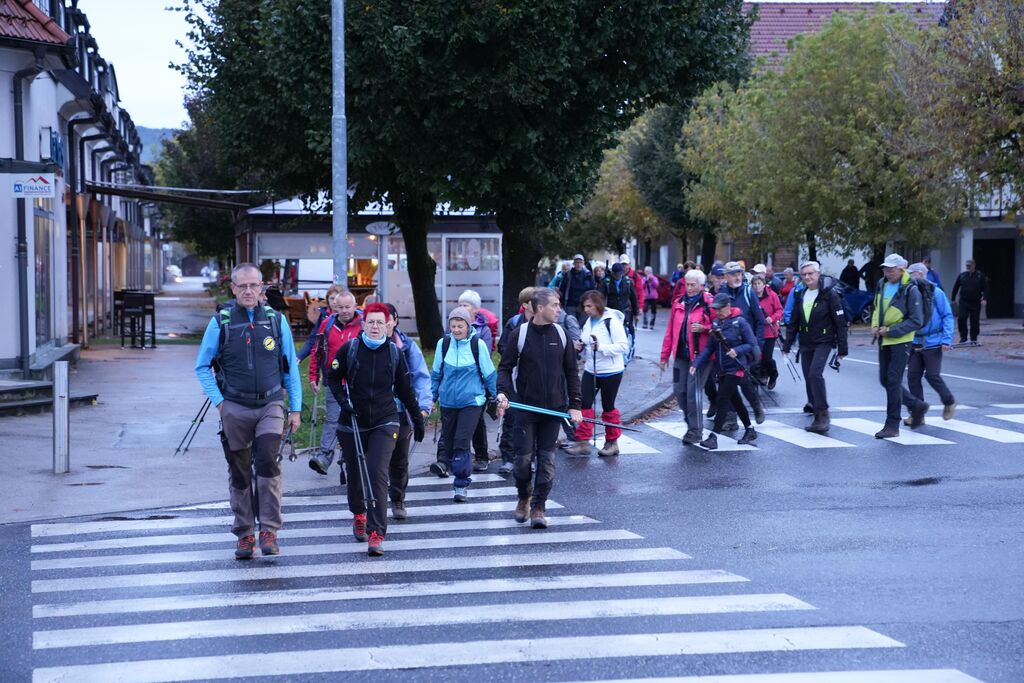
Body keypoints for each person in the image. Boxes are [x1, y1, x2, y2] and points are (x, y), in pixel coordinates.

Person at [194, 263, 302, 559]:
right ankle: (245, 533)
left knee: (267, 462)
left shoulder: (276, 321)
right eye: (242, 286)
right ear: (233, 289)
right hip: (235, 407)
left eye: (254, 285)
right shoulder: (221, 321)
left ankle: (269, 530)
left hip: (270, 404)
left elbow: (290, 367)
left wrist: (295, 408)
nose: (248, 291)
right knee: (240, 472)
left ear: (262, 287)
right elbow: (202, 366)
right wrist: (220, 403)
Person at [326, 303, 424, 556]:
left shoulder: (394, 353)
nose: (375, 326)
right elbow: (332, 377)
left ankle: (376, 532)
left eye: (380, 322)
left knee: (377, 472)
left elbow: (405, 390)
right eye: (371, 322)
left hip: (385, 419)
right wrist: (343, 402)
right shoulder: (350, 349)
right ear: (363, 324)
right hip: (353, 420)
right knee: (355, 472)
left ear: (388, 325)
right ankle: (359, 514)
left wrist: (417, 419)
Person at [496, 288, 582, 529]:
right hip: (525, 409)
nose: (559, 309)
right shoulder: (520, 334)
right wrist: (503, 393)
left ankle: (538, 507)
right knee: (522, 461)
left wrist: (575, 405)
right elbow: (505, 368)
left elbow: (572, 372)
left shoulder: (561, 334)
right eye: (555, 305)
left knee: (547, 461)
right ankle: (524, 496)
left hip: (553, 410)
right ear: (540, 308)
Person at [431, 307, 498, 502]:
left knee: (461, 441)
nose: (456, 330)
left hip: (472, 402)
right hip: (448, 402)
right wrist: (431, 398)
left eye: (460, 326)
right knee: (449, 441)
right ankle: (446, 465)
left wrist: (496, 397)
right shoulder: (443, 344)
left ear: (468, 326)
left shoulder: (478, 345)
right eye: (453, 326)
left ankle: (460, 485)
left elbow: (489, 374)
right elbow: (436, 374)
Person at [782, 261, 849, 433]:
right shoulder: (801, 294)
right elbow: (794, 322)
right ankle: (815, 408)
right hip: (806, 342)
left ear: (818, 274)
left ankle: (823, 414)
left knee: (815, 374)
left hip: (824, 341)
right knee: (808, 377)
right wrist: (787, 345)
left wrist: (842, 348)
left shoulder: (829, 294)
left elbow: (840, 322)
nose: (807, 277)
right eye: (804, 274)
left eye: (810, 273)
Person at [565, 290, 629, 457]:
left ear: (598, 305)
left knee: (608, 406)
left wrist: (602, 348)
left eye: (589, 306)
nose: (586, 309)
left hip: (611, 371)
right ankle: (583, 441)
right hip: (591, 369)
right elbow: (586, 339)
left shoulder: (611, 321)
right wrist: (579, 345)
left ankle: (612, 443)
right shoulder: (588, 321)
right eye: (584, 306)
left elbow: (623, 346)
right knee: (584, 404)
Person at [690, 293, 759, 450]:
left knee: (722, 400)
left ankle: (713, 437)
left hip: (736, 368)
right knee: (736, 401)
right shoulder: (716, 323)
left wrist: (737, 350)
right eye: (715, 309)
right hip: (721, 369)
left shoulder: (740, 322)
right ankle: (750, 430)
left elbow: (751, 343)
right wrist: (697, 363)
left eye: (720, 309)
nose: (717, 312)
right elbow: (710, 347)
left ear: (728, 306)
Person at [383, 303, 433, 519]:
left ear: (394, 321)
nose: (380, 325)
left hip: (401, 410)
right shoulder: (360, 346)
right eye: (374, 320)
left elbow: (421, 377)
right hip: (373, 412)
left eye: (385, 320)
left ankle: (397, 499)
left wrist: (424, 407)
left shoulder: (407, 347)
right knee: (374, 460)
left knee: (399, 459)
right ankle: (371, 503)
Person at [307, 286, 363, 477]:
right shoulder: (327, 324)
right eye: (341, 307)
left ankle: (352, 459)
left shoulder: (364, 324)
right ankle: (324, 457)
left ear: (355, 306)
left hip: (360, 382)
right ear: (335, 308)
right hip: (335, 380)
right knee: (333, 419)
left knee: (358, 419)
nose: (345, 311)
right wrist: (313, 375)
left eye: (348, 307)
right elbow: (317, 350)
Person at [870, 254, 924, 439]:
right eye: (885, 269)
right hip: (884, 339)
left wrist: (891, 331)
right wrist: (875, 326)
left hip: (901, 340)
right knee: (885, 380)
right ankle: (917, 405)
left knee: (893, 381)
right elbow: (877, 307)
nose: (887, 272)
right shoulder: (882, 284)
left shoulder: (911, 289)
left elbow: (916, 320)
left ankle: (892, 425)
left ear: (902, 269)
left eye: (891, 269)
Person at [660, 269, 715, 445]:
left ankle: (695, 430)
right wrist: (664, 356)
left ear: (701, 285)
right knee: (679, 391)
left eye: (693, 285)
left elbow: (718, 326)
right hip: (680, 355)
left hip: (699, 357)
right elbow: (670, 331)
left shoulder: (709, 302)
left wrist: (704, 328)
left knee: (693, 393)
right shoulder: (679, 303)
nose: (689, 288)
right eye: (687, 285)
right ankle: (691, 423)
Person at [903, 263, 957, 426]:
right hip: (914, 341)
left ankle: (949, 401)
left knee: (932, 375)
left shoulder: (936, 292)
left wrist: (946, 339)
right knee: (913, 377)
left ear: (920, 274)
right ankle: (917, 413)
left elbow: (947, 316)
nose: (908, 277)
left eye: (911, 274)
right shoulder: (909, 292)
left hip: (933, 342)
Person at [717, 261, 766, 426]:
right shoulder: (721, 292)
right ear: (726, 276)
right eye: (733, 274)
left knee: (743, 380)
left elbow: (760, 320)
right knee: (727, 381)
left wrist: (757, 343)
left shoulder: (748, 292)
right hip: (726, 345)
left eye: (739, 274)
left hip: (745, 346)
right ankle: (731, 418)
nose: (738, 277)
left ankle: (756, 406)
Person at [495, 287, 536, 475]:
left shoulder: (542, 323)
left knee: (532, 420)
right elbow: (502, 346)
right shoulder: (513, 323)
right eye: (534, 301)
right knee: (511, 418)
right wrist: (516, 355)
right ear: (525, 305)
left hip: (533, 379)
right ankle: (508, 458)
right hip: (513, 377)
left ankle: (530, 458)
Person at [457, 289, 495, 472]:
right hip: (456, 382)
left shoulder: (483, 330)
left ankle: (481, 456)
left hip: (477, 382)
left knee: (477, 420)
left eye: (465, 305)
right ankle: (454, 456)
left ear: (475, 309)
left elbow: (484, 355)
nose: (461, 308)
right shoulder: (453, 327)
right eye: (460, 304)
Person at [751, 275, 783, 390]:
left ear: (764, 285)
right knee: (757, 357)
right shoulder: (751, 296)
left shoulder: (772, 295)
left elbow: (779, 310)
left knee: (767, 357)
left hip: (769, 331)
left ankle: (773, 374)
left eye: (759, 283)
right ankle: (760, 377)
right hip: (756, 332)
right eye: (754, 284)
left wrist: (772, 318)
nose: (757, 286)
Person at [951, 259, 988, 346]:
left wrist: (984, 299)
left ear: (974, 265)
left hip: (975, 302)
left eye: (969, 265)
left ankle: (974, 338)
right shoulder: (962, 275)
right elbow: (956, 287)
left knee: (974, 320)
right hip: (964, 301)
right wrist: (953, 298)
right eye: (967, 265)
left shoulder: (980, 276)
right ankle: (963, 337)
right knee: (962, 318)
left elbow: (986, 288)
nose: (968, 267)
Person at [620, 254, 645, 318]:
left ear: (629, 264)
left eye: (625, 264)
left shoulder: (635, 276)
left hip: (631, 307)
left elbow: (640, 292)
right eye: (622, 264)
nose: (624, 266)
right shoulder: (617, 276)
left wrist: (640, 307)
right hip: (620, 307)